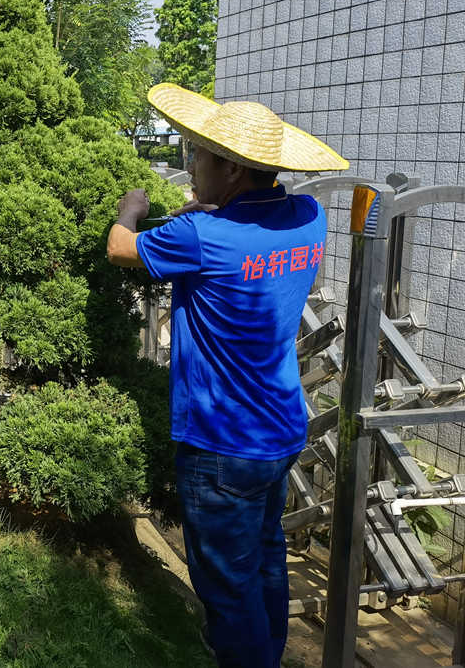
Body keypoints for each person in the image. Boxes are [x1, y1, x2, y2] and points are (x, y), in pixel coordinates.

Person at [107, 83, 349, 668]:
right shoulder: (308, 217)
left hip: (221, 444)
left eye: (199, 155)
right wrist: (205, 210)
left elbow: (121, 249)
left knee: (227, 591)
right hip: (282, 430)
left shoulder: (199, 236)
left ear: (234, 169)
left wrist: (132, 209)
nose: (190, 163)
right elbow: (245, 237)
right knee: (265, 560)